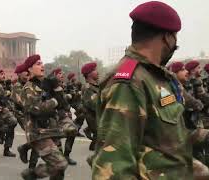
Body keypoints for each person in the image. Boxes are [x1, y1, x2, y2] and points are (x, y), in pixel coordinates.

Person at [91, 1, 199, 179]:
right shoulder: (128, 82)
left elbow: (169, 135)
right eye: (175, 37)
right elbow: (112, 169)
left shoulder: (157, 76)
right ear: (167, 37)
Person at [20, 54, 68, 180]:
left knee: (59, 172)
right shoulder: (28, 88)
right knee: (60, 163)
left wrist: (57, 89)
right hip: (38, 132)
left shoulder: (46, 84)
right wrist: (55, 101)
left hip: (52, 129)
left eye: (42, 63)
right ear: (29, 69)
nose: (42, 66)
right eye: (38, 64)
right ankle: (32, 174)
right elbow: (36, 109)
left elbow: (63, 104)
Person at [0, 70, 17, 157]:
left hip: (9, 108)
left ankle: (7, 149)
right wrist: (8, 91)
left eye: (4, 74)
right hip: (0, 110)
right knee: (13, 122)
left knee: (11, 128)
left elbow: (12, 95)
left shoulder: (5, 84)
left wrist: (10, 87)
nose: (3, 76)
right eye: (1, 74)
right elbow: (0, 95)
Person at [81, 62, 99, 151]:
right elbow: (93, 104)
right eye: (95, 70)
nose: (97, 72)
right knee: (99, 135)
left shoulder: (96, 85)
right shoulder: (88, 88)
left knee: (99, 136)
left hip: (97, 115)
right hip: (92, 116)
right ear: (89, 74)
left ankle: (94, 149)